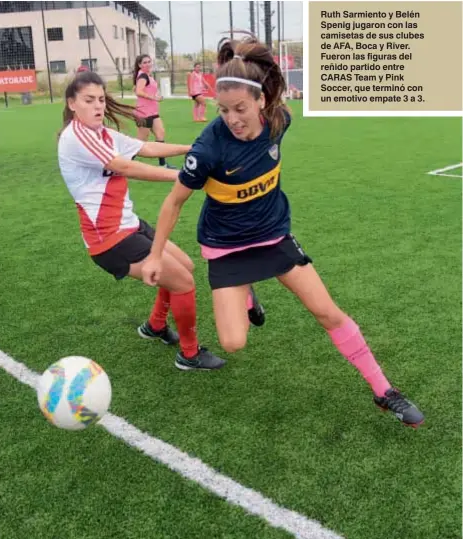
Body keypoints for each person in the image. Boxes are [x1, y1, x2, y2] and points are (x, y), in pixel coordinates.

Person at [140, 36, 425, 427]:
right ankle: (248, 294)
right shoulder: (207, 149)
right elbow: (173, 203)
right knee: (234, 342)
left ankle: (384, 390)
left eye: (240, 108)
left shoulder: (279, 121)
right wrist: (155, 255)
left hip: (273, 235)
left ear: (261, 101)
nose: (232, 119)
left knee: (328, 312)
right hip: (226, 248)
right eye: (223, 110)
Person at [57, 70, 225, 371]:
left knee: (183, 267)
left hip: (128, 224)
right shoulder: (77, 136)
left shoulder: (102, 133)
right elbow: (124, 166)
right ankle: (190, 354)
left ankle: (155, 326)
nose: (98, 106)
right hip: (109, 240)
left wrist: (193, 149)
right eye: (88, 100)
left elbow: (146, 148)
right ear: (72, 103)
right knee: (183, 282)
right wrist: (183, 175)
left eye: (100, 100)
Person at [132, 54, 175, 169]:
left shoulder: (147, 76)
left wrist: (156, 96)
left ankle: (163, 164)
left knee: (160, 134)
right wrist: (154, 97)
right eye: (144, 62)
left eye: (149, 61)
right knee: (140, 142)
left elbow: (137, 89)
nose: (147, 64)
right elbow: (138, 91)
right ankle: (122, 165)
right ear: (140, 65)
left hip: (153, 112)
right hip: (144, 113)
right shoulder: (143, 76)